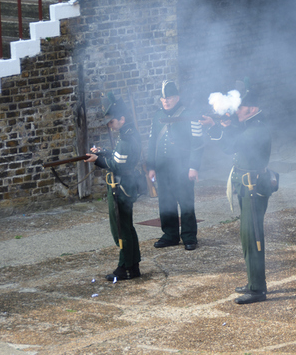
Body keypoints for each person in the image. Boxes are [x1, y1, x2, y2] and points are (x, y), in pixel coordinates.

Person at [200, 81, 274, 304]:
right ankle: (253, 282)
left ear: (251, 109)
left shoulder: (257, 128)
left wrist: (217, 126)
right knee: (246, 237)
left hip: (253, 188)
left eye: (241, 108)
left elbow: (230, 146)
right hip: (247, 186)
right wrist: (225, 124)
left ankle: (258, 289)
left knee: (253, 237)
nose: (236, 111)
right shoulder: (251, 124)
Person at [85, 92, 142, 281]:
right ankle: (133, 266)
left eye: (113, 121)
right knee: (127, 227)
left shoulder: (126, 140)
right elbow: (118, 156)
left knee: (121, 229)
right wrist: (103, 152)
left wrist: (98, 161)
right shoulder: (127, 134)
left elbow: (118, 165)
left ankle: (124, 267)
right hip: (125, 185)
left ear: (122, 119)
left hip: (121, 188)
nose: (110, 125)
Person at [147, 80, 205, 251]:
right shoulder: (157, 116)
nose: (166, 101)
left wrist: (193, 166)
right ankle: (170, 235)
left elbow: (198, 143)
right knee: (166, 202)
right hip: (163, 167)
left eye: (170, 97)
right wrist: (151, 166)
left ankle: (189, 236)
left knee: (186, 202)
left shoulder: (189, 114)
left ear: (177, 97)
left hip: (183, 167)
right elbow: (152, 142)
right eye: (163, 98)